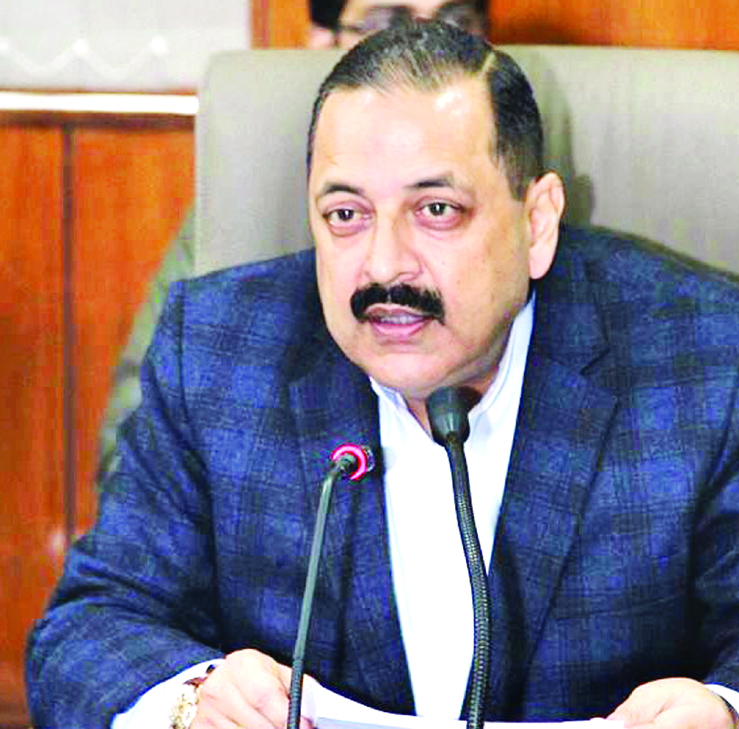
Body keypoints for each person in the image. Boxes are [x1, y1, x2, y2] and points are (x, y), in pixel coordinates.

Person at [28, 21, 739, 729]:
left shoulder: (721, 364)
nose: (385, 265)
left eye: (436, 210)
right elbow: (89, 625)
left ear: (537, 223)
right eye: (346, 215)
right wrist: (190, 701)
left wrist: (734, 715)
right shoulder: (221, 349)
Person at [96, 0, 490, 485]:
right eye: (388, 23)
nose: (425, 48)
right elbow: (132, 463)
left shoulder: (520, 211)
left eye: (454, 22)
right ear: (322, 43)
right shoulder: (234, 224)